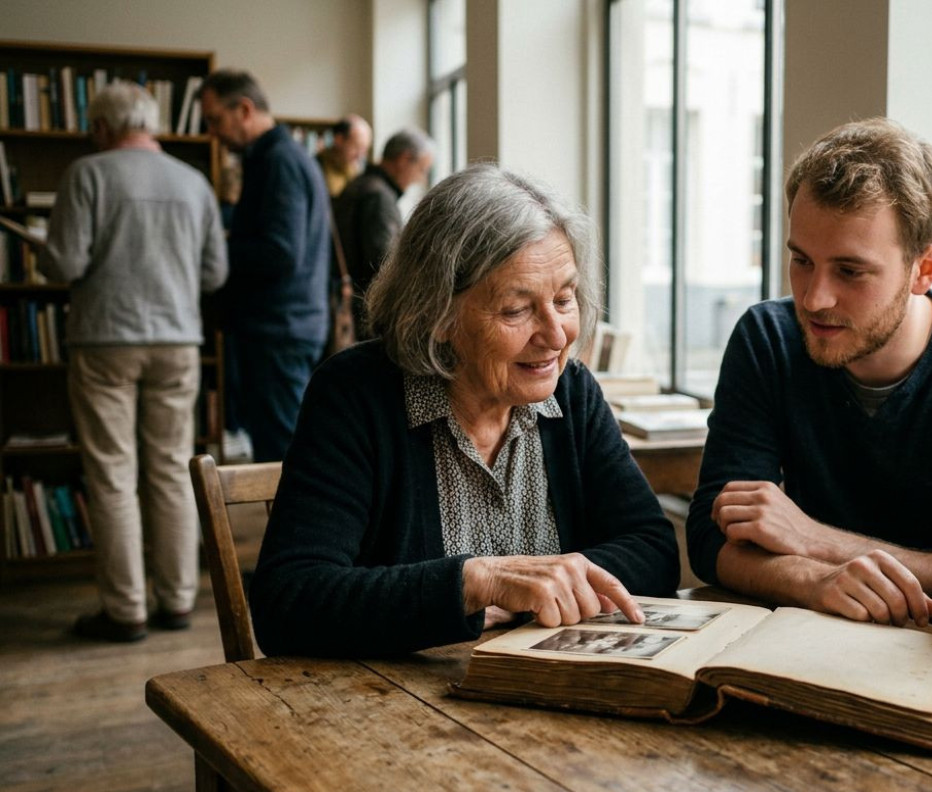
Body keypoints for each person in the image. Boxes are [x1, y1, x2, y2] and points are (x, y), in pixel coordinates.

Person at [250, 164, 680, 657]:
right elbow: (289, 602)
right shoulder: (355, 395)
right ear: (437, 315)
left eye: (564, 299)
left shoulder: (571, 392)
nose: (557, 335)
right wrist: (476, 583)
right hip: (391, 709)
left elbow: (653, 549)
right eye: (517, 310)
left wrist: (548, 584)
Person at [686, 118, 932, 628]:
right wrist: (813, 581)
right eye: (801, 260)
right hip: (807, 640)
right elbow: (713, 536)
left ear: (925, 269)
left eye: (850, 271)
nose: (814, 298)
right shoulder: (769, 337)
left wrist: (813, 540)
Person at [38, 81, 227, 642]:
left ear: (100, 127)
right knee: (172, 469)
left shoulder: (88, 174)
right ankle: (176, 602)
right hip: (177, 340)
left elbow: (64, 261)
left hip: (105, 340)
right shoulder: (194, 183)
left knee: (112, 473)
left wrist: (43, 248)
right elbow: (215, 275)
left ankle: (125, 611)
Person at [200, 70, 331, 463]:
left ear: (244, 109)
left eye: (215, 120)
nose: (213, 133)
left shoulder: (278, 162)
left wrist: (216, 250)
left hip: (279, 329)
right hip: (286, 325)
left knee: (281, 456)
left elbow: (280, 251)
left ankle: (291, 528)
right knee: (281, 448)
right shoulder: (282, 157)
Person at [333, 127, 435, 339]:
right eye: (423, 169)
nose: (421, 179)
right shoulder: (378, 197)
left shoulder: (361, 185)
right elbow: (385, 264)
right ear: (404, 159)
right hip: (364, 315)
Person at [316, 114, 372, 198]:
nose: (360, 155)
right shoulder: (317, 167)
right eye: (356, 147)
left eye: (364, 149)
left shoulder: (359, 171)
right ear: (339, 140)